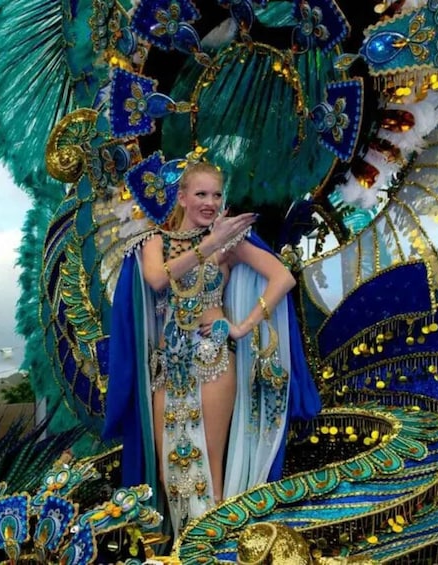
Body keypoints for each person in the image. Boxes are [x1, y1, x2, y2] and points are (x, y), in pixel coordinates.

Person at [104, 161, 320, 533]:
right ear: (183, 197)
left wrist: (242, 327)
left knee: (209, 470)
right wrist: (210, 245)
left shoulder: (232, 241)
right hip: (168, 369)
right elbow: (157, 279)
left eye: (216, 195)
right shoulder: (155, 241)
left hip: (213, 360)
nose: (209, 202)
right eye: (201, 194)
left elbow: (282, 277)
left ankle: (212, 551)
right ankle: (182, 551)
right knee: (171, 473)